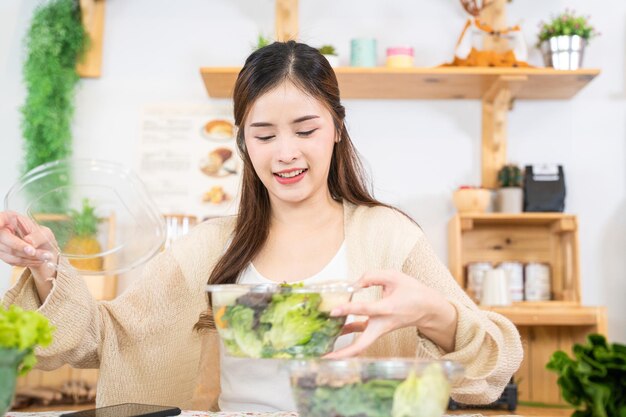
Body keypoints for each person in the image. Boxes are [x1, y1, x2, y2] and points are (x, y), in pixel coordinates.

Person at [0, 41, 522, 412]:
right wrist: (48, 264)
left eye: (306, 129)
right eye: (265, 134)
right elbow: (101, 339)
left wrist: (435, 314)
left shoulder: (388, 237)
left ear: (337, 130)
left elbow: (494, 368)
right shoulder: (210, 247)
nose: (286, 152)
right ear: (244, 143)